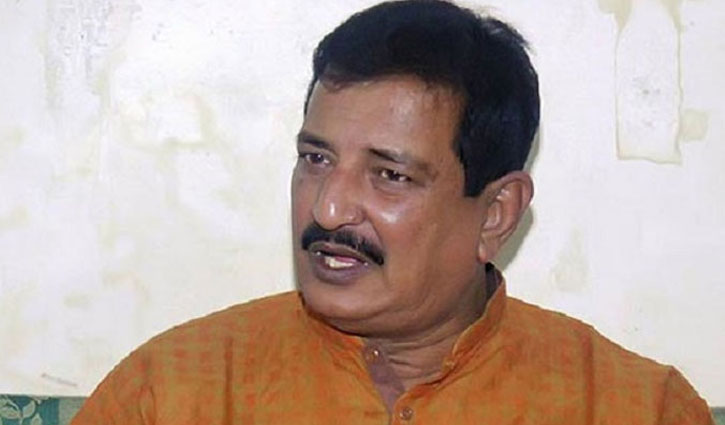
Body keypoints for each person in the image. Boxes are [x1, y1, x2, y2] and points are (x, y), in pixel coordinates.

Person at [71, 1, 714, 424]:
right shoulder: (172, 393)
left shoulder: (634, 408)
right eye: (316, 159)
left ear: (496, 213)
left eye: (390, 175)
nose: (328, 207)